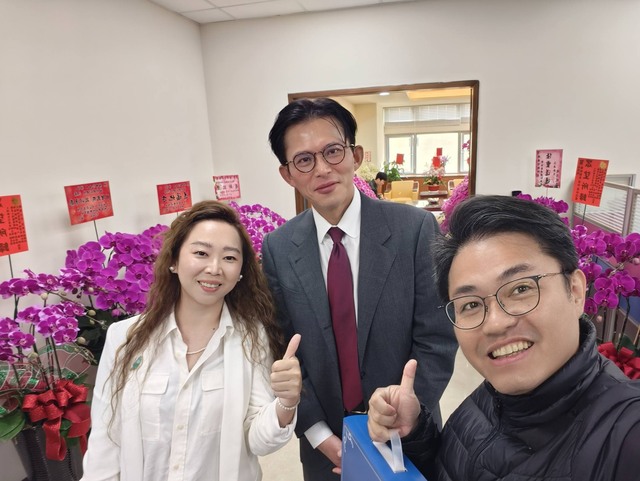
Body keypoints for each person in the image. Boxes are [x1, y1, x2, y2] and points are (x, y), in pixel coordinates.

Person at [368, 195, 640, 481]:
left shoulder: (626, 436)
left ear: (575, 291)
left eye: (521, 289)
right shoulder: (488, 399)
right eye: (471, 304)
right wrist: (414, 433)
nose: (495, 324)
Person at [262, 97, 457, 480]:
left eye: (333, 151)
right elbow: (280, 347)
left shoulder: (414, 230)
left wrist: (404, 410)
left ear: (356, 155)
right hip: (325, 447)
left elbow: (437, 338)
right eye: (304, 160)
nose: (322, 169)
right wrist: (319, 435)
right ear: (288, 175)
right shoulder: (278, 248)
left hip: (406, 434)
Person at [81, 201, 302, 481]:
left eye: (229, 258)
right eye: (201, 253)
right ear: (173, 260)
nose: (214, 268)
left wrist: (286, 402)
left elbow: (258, 441)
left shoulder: (251, 338)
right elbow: (105, 441)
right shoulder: (125, 337)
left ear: (241, 271)